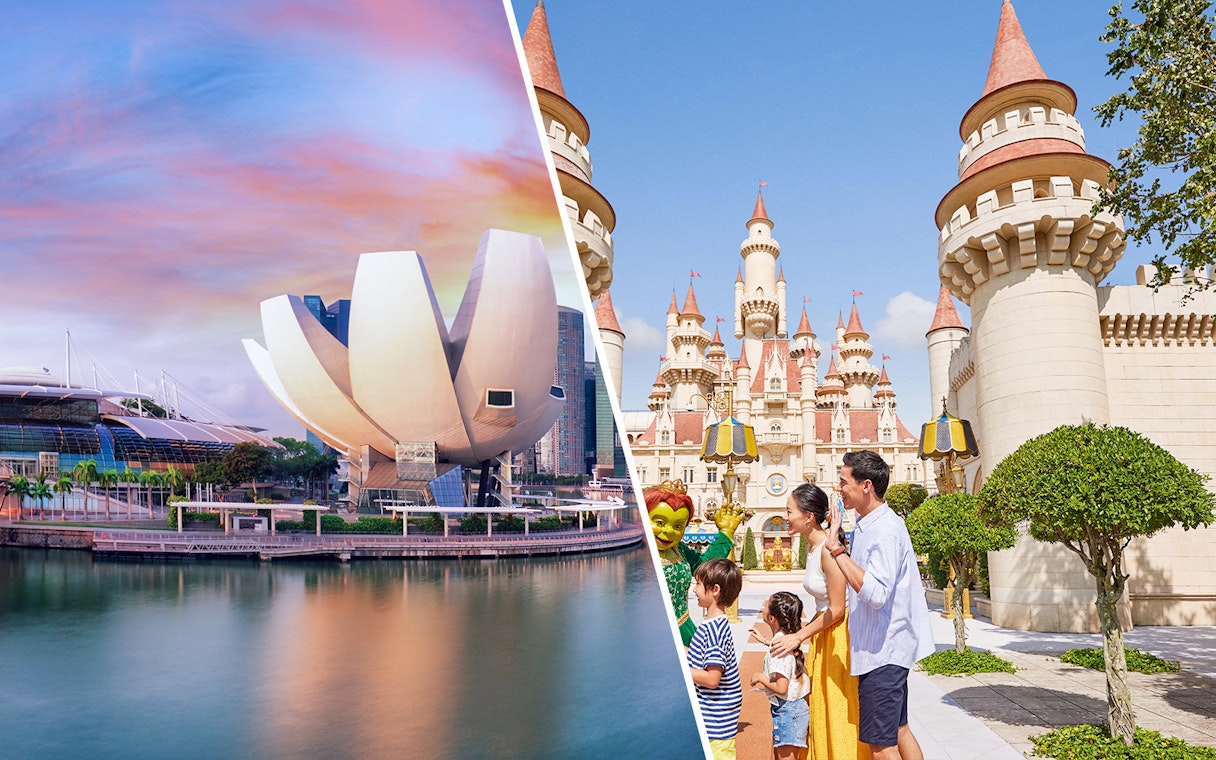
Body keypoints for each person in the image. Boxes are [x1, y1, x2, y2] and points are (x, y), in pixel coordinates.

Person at [824, 450, 935, 760]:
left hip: (883, 653)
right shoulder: (869, 523)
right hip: (884, 649)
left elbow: (876, 593)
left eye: (844, 481)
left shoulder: (885, 529)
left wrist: (837, 553)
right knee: (898, 730)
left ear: (866, 486)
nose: (839, 487)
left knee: (881, 746)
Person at [770, 482, 868, 759]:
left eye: (790, 511)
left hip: (840, 635)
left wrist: (799, 636)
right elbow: (825, 605)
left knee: (837, 704)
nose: (786, 517)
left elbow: (838, 608)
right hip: (825, 632)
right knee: (823, 703)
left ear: (808, 517)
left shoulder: (827, 550)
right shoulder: (813, 549)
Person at [644, 480, 744, 646]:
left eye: (678, 525)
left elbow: (704, 567)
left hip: (684, 630)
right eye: (660, 523)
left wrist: (726, 533)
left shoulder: (679, 549)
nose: (669, 531)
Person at [688, 557, 743, 760]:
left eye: (698, 585)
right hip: (711, 718)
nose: (694, 590)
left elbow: (712, 678)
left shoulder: (715, 629)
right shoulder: (710, 623)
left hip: (716, 722)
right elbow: (696, 654)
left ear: (715, 590)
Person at [749, 591, 811, 760]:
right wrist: (765, 641)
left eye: (766, 604)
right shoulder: (786, 639)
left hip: (787, 711)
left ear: (772, 618)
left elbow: (781, 688)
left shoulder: (778, 650)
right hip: (795, 709)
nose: (763, 606)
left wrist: (760, 677)